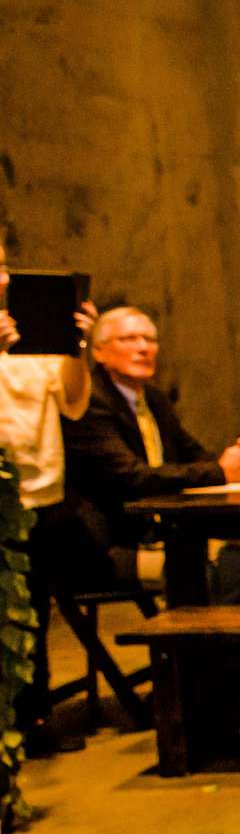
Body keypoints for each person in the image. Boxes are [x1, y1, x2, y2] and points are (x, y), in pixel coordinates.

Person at [61, 307, 240, 604]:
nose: (143, 348)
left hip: (162, 532)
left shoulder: (153, 398)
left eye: (150, 340)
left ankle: (205, 646)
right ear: (99, 352)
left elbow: (196, 455)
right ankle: (193, 648)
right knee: (202, 575)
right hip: (109, 546)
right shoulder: (90, 401)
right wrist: (223, 472)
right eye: (129, 339)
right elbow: (131, 476)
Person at [0, 238, 97, 760]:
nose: (3, 279)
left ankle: (35, 717)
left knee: (33, 612)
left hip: (42, 495)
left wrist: (78, 345)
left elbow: (75, 404)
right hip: (2, 500)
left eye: (2, 266)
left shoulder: (34, 338)